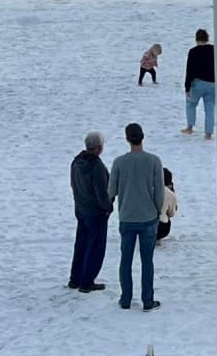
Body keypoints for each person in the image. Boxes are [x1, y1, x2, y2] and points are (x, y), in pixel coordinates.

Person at [110, 120, 168, 311]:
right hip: (148, 217)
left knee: (125, 259)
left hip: (127, 216)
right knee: (147, 261)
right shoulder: (153, 161)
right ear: (142, 137)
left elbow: (111, 190)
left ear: (127, 139)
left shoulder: (119, 162)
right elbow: (160, 191)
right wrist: (158, 209)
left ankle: (125, 298)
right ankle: (147, 299)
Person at [68, 130, 111, 291]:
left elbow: (73, 184)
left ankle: (75, 278)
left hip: (80, 209)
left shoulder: (76, 162)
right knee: (95, 248)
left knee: (81, 244)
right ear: (99, 147)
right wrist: (108, 208)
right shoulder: (97, 167)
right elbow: (101, 192)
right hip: (95, 212)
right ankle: (87, 281)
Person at [182, 27, 215, 137]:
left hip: (198, 83)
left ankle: (190, 127)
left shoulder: (193, 52)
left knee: (191, 104)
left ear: (196, 39)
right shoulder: (214, 49)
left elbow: (189, 70)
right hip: (212, 83)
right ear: (207, 38)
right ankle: (208, 134)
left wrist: (187, 87)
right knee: (209, 108)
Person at [158, 165, 178, 242]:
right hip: (162, 229)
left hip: (144, 225)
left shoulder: (147, 188)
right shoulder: (170, 194)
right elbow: (172, 213)